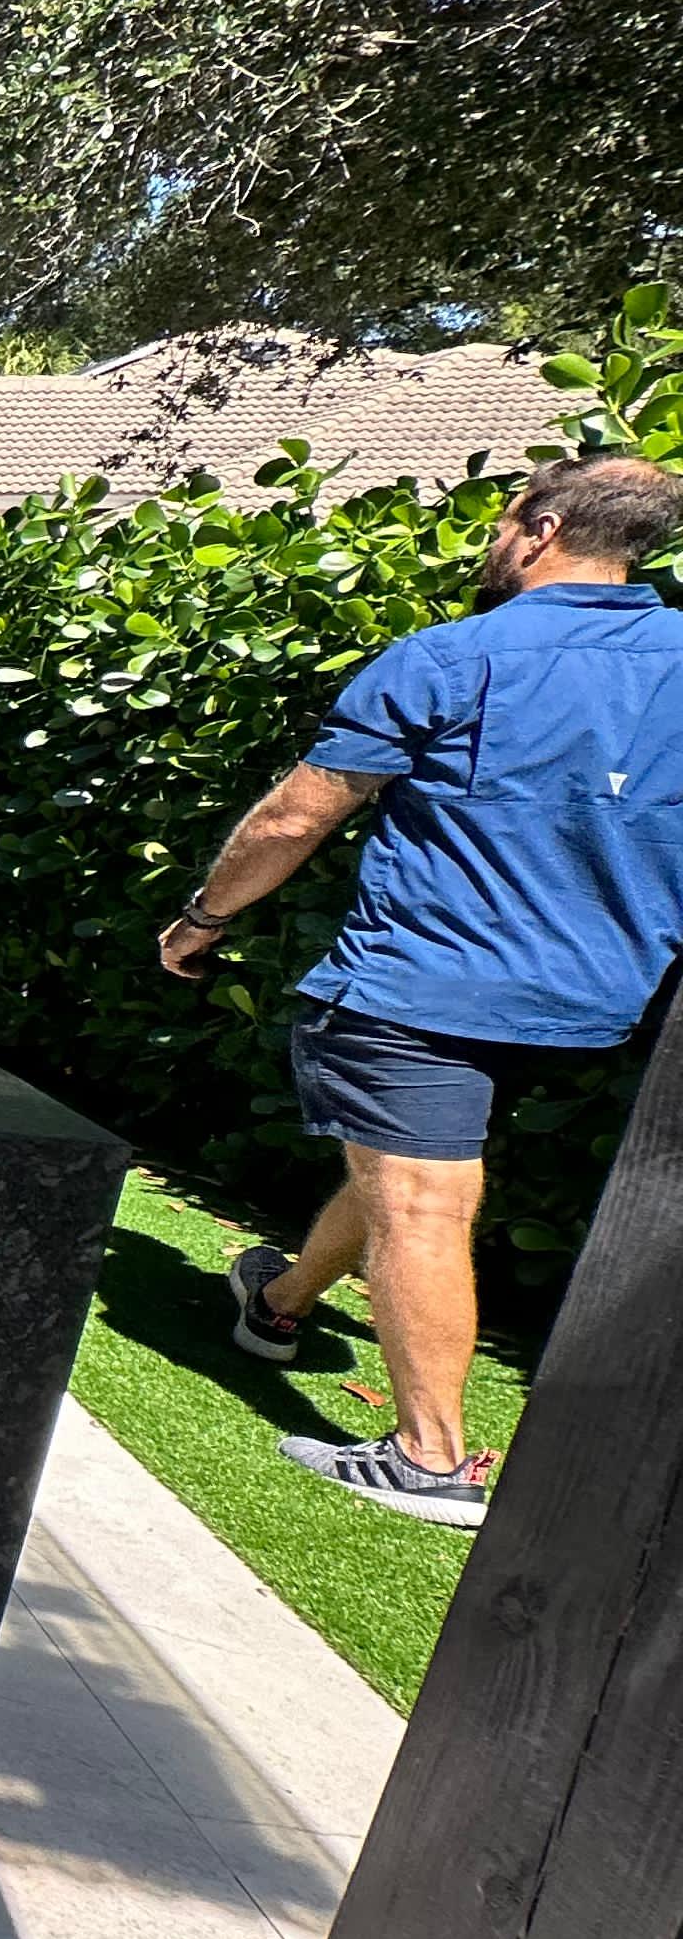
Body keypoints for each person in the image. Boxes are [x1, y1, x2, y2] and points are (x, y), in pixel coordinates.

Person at [157, 450, 683, 1527]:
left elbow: (297, 817)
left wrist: (204, 919)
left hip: (425, 986)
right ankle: (282, 1299)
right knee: (406, 1164)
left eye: (505, 525)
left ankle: (430, 1460)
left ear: (539, 528)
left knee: (420, 1198)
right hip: (591, 999)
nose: (496, 543)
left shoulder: (456, 656)